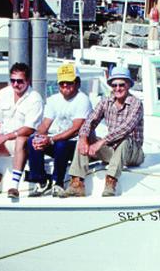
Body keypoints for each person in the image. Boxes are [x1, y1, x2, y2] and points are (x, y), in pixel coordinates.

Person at [61, 65, 144, 198]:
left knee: (125, 140)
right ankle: (77, 182)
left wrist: (101, 142)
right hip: (113, 150)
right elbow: (90, 120)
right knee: (85, 137)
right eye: (114, 85)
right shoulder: (106, 101)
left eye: (122, 85)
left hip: (133, 152)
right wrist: (83, 138)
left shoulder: (136, 103)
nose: (118, 88)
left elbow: (126, 128)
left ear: (128, 85)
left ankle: (111, 181)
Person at [0, 62, 43, 199]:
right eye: (13, 80)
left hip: (23, 142)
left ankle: (14, 186)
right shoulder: (3, 93)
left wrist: (4, 138)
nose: (15, 84)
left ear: (27, 80)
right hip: (3, 139)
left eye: (20, 81)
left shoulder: (35, 98)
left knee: (21, 140)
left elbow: (29, 128)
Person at [25, 63, 92, 197]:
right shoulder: (53, 100)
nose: (65, 86)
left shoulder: (83, 100)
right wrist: (39, 137)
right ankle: (41, 181)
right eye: (62, 83)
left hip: (76, 144)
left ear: (77, 83)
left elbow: (76, 129)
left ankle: (58, 182)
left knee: (61, 144)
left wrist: (50, 139)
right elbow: (45, 125)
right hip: (56, 140)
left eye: (69, 82)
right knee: (32, 141)